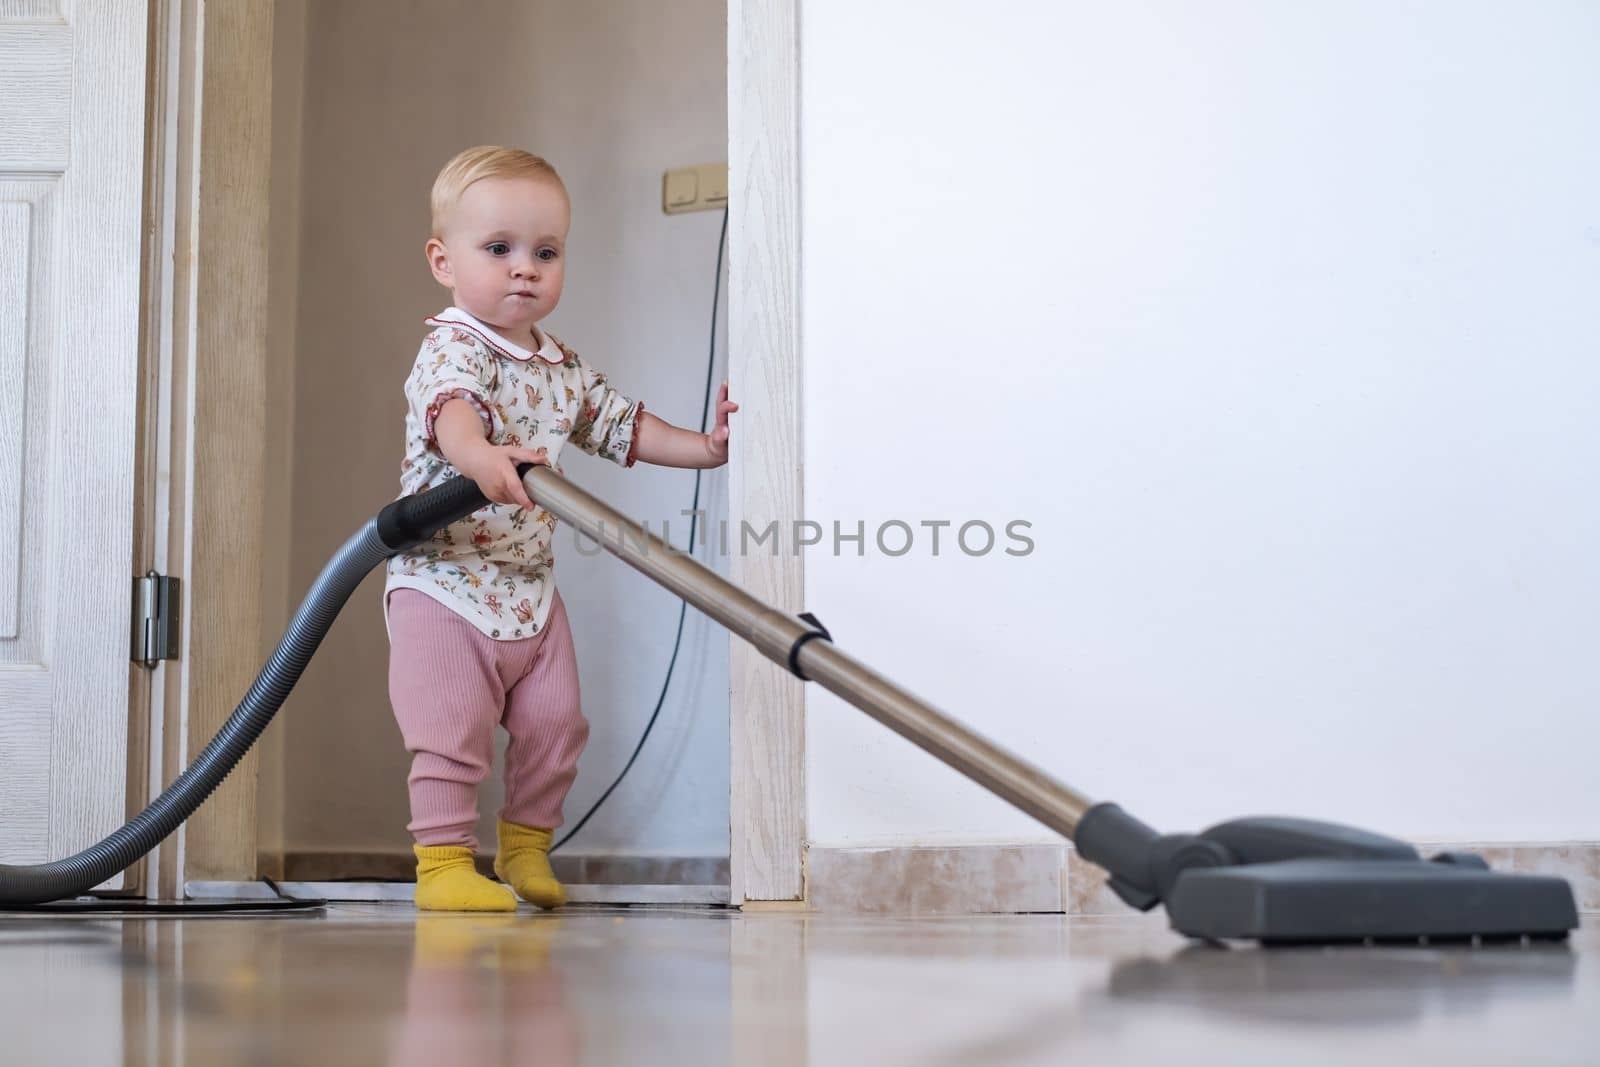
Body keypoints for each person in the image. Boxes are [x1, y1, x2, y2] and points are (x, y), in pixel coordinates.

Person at [384, 146, 737, 911]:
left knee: (556, 724)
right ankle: (443, 863)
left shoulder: (561, 365)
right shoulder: (453, 343)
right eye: (499, 249)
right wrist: (482, 459)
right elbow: (452, 418)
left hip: (530, 591)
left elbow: (624, 427)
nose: (525, 269)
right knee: (451, 727)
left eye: (545, 252)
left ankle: (524, 850)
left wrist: (705, 449)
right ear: (444, 260)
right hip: (444, 583)